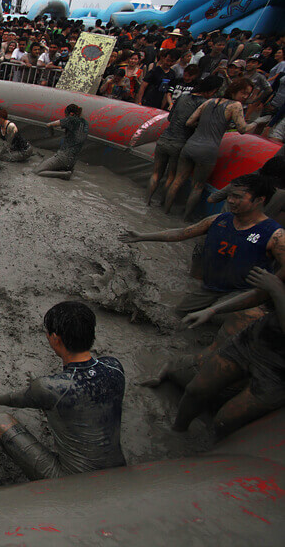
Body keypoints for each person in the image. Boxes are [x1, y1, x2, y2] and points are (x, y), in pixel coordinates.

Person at [121, 174, 284, 379]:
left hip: (244, 296)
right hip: (210, 289)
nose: (230, 201)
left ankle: (197, 365)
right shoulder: (219, 220)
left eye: (238, 197)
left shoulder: (275, 235)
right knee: (176, 317)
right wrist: (142, 236)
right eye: (230, 195)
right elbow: (183, 232)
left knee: (230, 335)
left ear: (259, 200)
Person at [0, 301, 126, 481]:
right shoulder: (114, 367)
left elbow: (18, 399)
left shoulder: (50, 388)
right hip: (117, 475)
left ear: (56, 339)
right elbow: (85, 392)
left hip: (72, 482)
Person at [172, 267, 285, 437]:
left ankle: (215, 455)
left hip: (279, 371)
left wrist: (277, 290)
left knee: (225, 421)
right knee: (196, 390)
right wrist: (212, 310)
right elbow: (261, 294)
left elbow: (273, 289)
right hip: (253, 339)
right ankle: (177, 433)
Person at [164, 78, 257, 219]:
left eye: (247, 94)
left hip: (190, 145)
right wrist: (256, 123)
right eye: (243, 93)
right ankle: (185, 218)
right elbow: (243, 129)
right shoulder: (235, 106)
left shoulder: (209, 101)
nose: (245, 97)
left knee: (178, 180)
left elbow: (189, 122)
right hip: (208, 150)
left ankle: (164, 211)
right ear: (235, 90)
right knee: (198, 186)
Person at [146, 76, 221, 206]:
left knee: (156, 173)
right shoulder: (204, 104)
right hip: (180, 143)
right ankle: (162, 204)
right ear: (212, 90)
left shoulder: (183, 97)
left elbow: (170, 117)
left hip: (164, 138)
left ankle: (147, 201)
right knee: (171, 177)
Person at [36, 104, 89, 180]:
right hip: (72, 162)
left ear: (71, 114)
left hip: (63, 157)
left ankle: (64, 174)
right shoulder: (85, 123)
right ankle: (64, 171)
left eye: (65, 115)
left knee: (37, 171)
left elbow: (49, 125)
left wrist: (51, 133)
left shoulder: (70, 119)